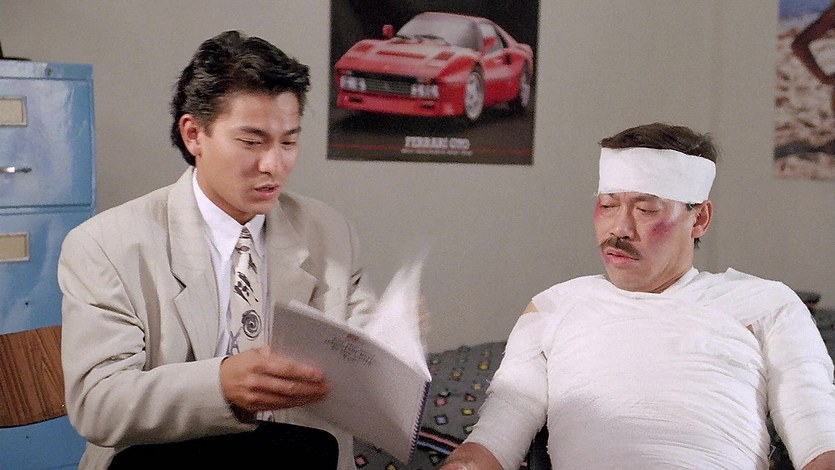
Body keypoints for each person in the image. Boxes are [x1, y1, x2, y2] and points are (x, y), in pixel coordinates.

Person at [58, 31, 377, 469]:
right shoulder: (106, 245)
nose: (274, 165)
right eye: (252, 142)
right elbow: (98, 404)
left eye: (288, 142)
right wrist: (221, 385)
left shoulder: (329, 232)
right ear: (194, 135)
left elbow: (364, 358)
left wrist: (390, 341)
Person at [440, 122, 835, 470]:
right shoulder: (555, 306)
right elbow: (493, 441)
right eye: (608, 205)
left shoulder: (767, 305)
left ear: (699, 218)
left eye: (645, 210)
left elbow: (819, 440)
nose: (620, 228)